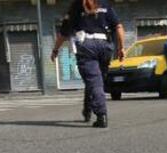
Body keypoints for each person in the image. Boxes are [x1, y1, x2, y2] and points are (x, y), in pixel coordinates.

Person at [51, 0, 126, 128]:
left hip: (86, 46)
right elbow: (118, 27)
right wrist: (121, 48)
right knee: (96, 80)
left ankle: (101, 115)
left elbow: (63, 34)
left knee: (94, 81)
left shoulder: (75, 7)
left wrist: (55, 50)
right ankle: (87, 108)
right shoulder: (104, 5)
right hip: (105, 46)